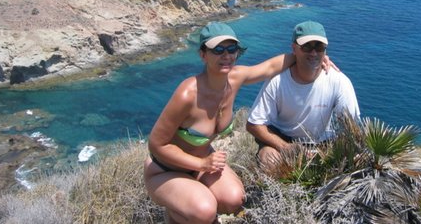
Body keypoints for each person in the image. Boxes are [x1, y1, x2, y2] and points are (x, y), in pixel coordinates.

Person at [144, 21, 334, 224]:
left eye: (232, 49)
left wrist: (314, 56)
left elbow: (271, 66)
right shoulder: (188, 93)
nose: (226, 56)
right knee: (204, 212)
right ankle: (175, 214)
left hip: (203, 167)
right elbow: (156, 145)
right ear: (203, 55)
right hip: (165, 170)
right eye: (218, 50)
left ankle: (190, 205)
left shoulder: (235, 78)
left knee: (235, 199)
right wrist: (201, 163)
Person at [246, 20, 360, 168]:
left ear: (325, 50)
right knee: (270, 161)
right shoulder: (277, 81)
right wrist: (286, 147)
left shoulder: (339, 81)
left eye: (319, 47)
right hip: (282, 140)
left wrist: (333, 153)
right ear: (294, 48)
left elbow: (350, 127)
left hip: (324, 144)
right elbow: (254, 124)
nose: (313, 53)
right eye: (307, 47)